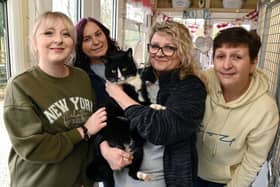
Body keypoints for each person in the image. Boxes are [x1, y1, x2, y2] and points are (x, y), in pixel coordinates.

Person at [3, 11, 107, 187]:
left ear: (73, 43)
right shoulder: (21, 86)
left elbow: (92, 134)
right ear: (35, 42)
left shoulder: (82, 78)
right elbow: (34, 148)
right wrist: (82, 131)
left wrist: (86, 177)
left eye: (66, 34)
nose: (58, 40)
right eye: (48, 33)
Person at [104, 20, 207, 187]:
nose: (159, 53)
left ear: (183, 51)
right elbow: (106, 118)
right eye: (154, 46)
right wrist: (105, 149)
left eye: (169, 48)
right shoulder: (137, 77)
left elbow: (162, 130)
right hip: (121, 175)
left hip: (161, 179)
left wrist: (121, 97)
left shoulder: (191, 87)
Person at [195, 27, 279, 187]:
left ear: (253, 63)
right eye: (220, 56)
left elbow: (253, 161)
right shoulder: (199, 84)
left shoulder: (265, 109)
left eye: (237, 57)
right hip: (186, 170)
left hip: (227, 181)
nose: (226, 65)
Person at [74, 17, 132, 187]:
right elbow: (84, 120)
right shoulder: (79, 76)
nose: (96, 42)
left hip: (135, 138)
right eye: (87, 39)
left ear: (106, 35)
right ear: (79, 45)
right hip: (107, 147)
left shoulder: (125, 62)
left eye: (98, 34)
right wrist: (105, 148)